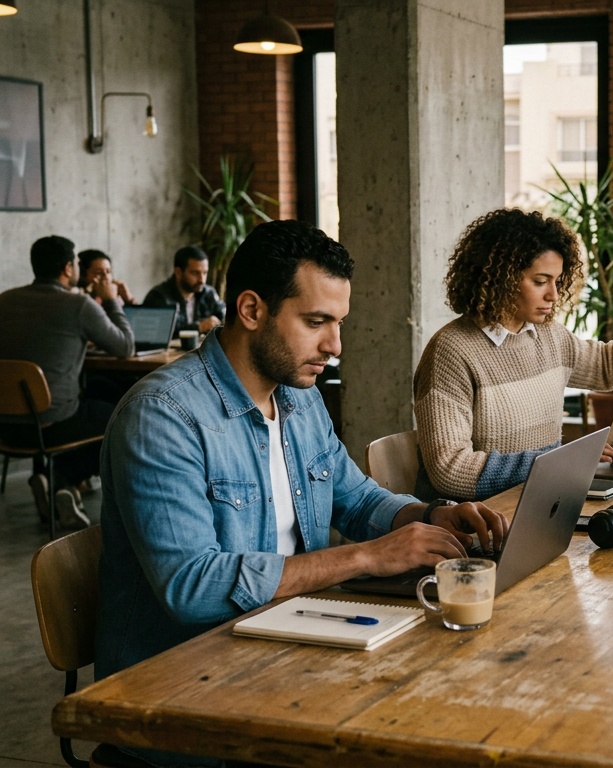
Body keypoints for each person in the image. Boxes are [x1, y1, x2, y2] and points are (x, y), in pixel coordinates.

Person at [97, 220, 509, 687]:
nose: (335, 346)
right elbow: (191, 587)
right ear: (251, 309)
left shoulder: (299, 395)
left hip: (294, 639)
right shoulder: (162, 416)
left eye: (339, 323)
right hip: (189, 682)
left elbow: (355, 498)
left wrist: (431, 516)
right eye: (316, 322)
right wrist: (364, 558)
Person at [413, 208, 613, 502]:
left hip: (543, 501)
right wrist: (560, 460)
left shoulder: (548, 335)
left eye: (556, 280)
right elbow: (450, 470)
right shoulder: (450, 352)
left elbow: (604, 365)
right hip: (480, 520)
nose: (553, 295)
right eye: (540, 281)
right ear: (499, 280)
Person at [0, 236, 134, 529]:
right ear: (67, 268)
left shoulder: (5, 300)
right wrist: (111, 299)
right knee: (126, 416)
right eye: (75, 262)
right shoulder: (78, 305)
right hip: (49, 423)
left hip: (6, 426)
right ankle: (63, 480)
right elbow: (125, 347)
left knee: (98, 389)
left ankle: (58, 482)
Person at [143, 245, 227, 334]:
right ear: (178, 272)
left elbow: (226, 316)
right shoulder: (158, 297)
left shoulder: (208, 293)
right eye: (195, 273)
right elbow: (158, 334)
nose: (201, 280)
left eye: (205, 273)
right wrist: (198, 327)